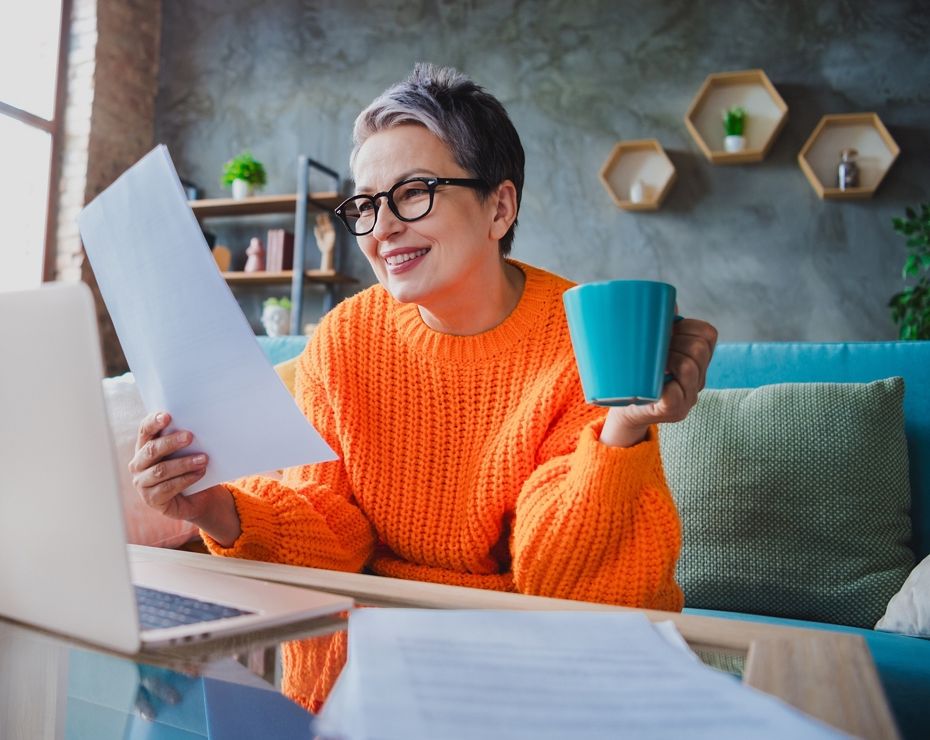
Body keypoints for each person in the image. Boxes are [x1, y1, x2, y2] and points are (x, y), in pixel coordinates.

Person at [130, 64, 718, 708]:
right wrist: (212, 506)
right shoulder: (345, 337)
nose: (381, 228)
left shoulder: (586, 335)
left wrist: (622, 429)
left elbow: (569, 586)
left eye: (414, 193)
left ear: (500, 206)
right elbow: (333, 533)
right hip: (369, 660)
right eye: (366, 204)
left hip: (523, 665)